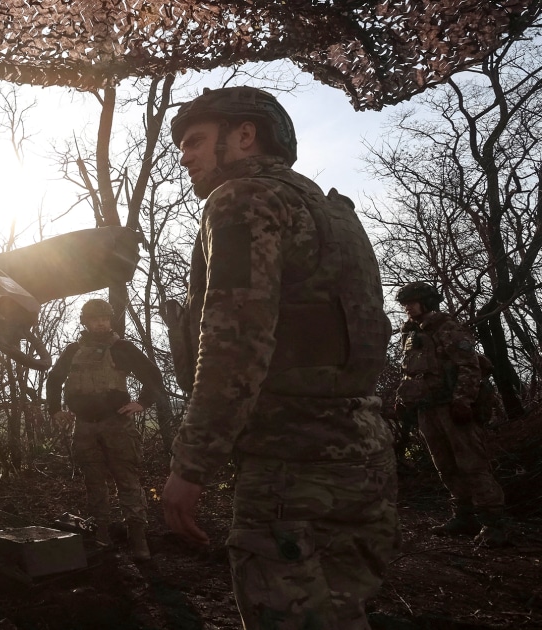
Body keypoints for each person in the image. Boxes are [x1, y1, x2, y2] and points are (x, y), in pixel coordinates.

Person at [161, 86, 397, 628]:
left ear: (244, 136)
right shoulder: (334, 211)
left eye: (195, 140)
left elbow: (236, 342)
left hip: (290, 469)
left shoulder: (243, 199)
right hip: (364, 457)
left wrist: (192, 462)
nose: (184, 156)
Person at [46, 298, 166, 561]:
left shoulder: (122, 348)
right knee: (94, 483)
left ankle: (138, 540)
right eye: (94, 319)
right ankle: (102, 536)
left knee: (128, 481)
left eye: (104, 318)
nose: (100, 323)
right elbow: (54, 379)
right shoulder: (72, 351)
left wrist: (142, 403)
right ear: (85, 322)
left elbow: (153, 375)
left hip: (117, 425)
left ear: (109, 320)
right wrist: (56, 409)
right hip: (85, 427)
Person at [394, 281, 507, 547]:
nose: (407, 307)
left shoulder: (448, 328)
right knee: (445, 466)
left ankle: (494, 525)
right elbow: (411, 372)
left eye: (412, 301)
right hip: (428, 408)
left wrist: (462, 401)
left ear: (427, 302)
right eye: (405, 303)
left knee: (472, 465)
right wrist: (403, 400)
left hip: (451, 407)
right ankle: (464, 517)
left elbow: (469, 366)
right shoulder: (412, 334)